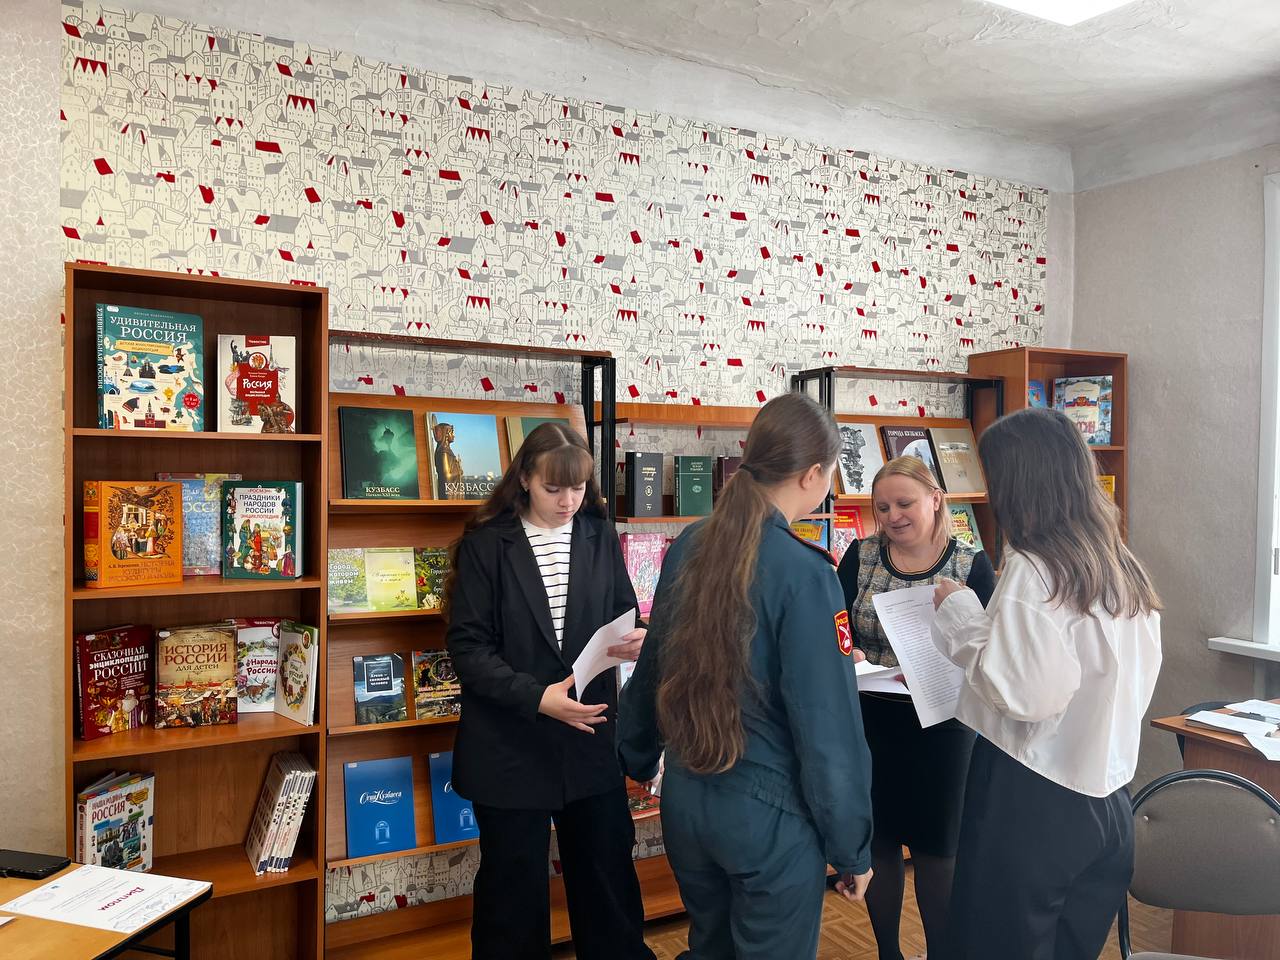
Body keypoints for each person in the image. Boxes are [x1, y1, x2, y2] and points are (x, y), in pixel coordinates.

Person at [618, 392, 874, 960]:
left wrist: (635, 755)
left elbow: (654, 664)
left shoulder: (690, 544)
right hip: (767, 817)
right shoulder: (807, 573)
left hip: (688, 802)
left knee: (710, 948)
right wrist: (852, 847)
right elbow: (827, 727)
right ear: (812, 475)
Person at [930, 407, 1162, 960]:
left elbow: (1027, 694)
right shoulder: (1119, 565)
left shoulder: (1033, 568)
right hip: (1109, 798)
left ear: (1019, 480)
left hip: (1031, 796)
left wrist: (960, 613)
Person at [443, 422, 655, 960]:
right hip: (510, 745)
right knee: (511, 896)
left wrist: (636, 638)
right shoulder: (487, 545)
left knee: (607, 883)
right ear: (524, 479)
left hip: (589, 737)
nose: (567, 502)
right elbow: (468, 651)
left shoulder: (599, 535)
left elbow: (622, 612)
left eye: (577, 488)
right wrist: (538, 698)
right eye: (552, 488)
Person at [835, 456, 995, 960]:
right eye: (882, 507)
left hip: (944, 727)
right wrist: (847, 653)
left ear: (935, 499)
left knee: (938, 850)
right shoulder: (860, 556)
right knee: (879, 841)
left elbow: (994, 651)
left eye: (904, 503)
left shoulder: (971, 564)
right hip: (871, 719)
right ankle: (889, 953)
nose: (892, 516)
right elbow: (835, 627)